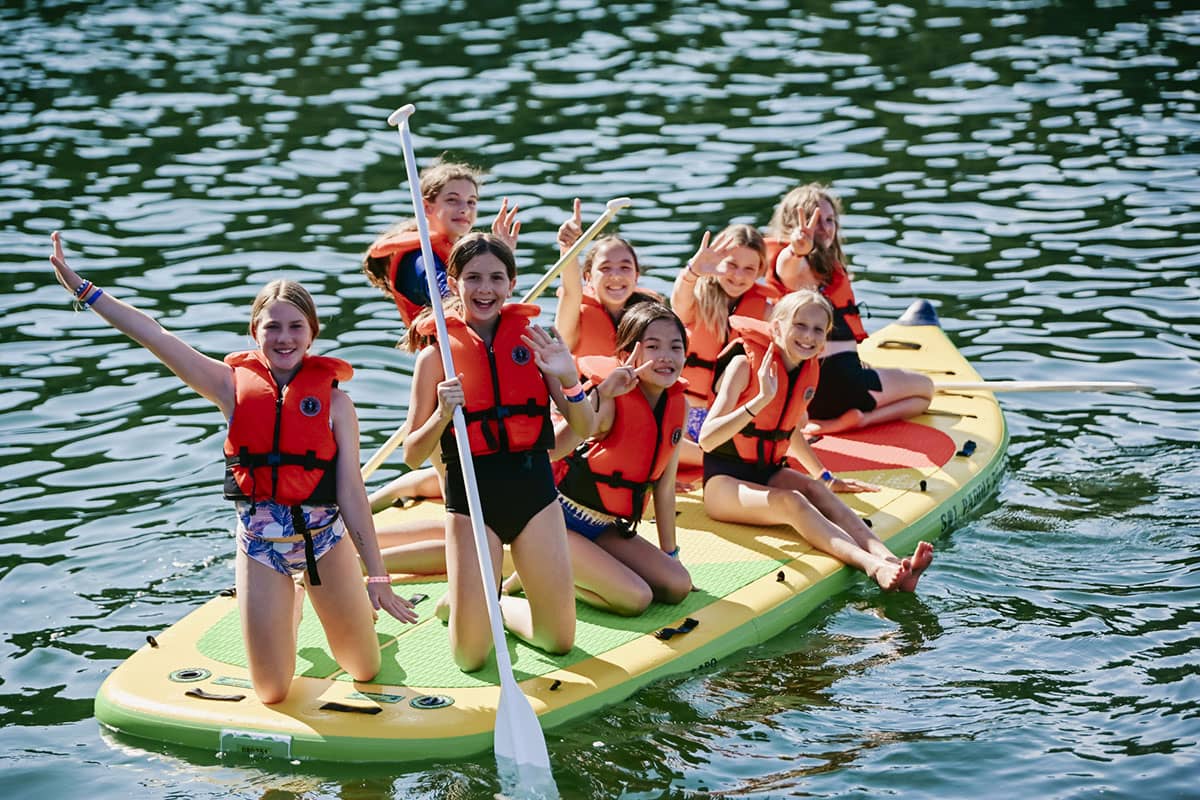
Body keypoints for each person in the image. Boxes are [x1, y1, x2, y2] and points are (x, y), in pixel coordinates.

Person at [48, 232, 417, 705]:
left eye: (295, 327)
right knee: (271, 691)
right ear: (254, 333)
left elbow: (351, 493)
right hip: (261, 547)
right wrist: (84, 289)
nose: (284, 338)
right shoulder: (228, 387)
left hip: (324, 543)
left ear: (312, 333)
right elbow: (154, 335)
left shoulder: (337, 405)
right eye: (272, 327)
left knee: (365, 669)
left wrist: (378, 577)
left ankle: (318, 602)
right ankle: (289, 603)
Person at [403, 233, 594, 671]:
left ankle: (499, 609)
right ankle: (470, 609)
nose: (484, 288)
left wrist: (569, 381)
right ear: (452, 284)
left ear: (511, 283)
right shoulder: (435, 358)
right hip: (472, 499)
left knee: (558, 641)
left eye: (495, 278)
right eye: (472, 278)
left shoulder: (534, 340)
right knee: (470, 658)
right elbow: (412, 456)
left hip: (534, 493)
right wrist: (442, 415)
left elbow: (585, 428)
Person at [697, 290, 933, 592]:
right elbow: (707, 438)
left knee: (814, 490)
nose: (808, 336)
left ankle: (892, 561)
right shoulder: (743, 365)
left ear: (825, 338)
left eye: (818, 330)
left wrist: (823, 476)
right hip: (723, 483)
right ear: (777, 326)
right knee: (793, 501)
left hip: (767, 472)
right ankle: (872, 567)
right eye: (800, 325)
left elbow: (787, 429)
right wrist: (759, 400)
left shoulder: (806, 369)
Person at [361, 159, 520, 510]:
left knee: (454, 470)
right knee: (457, 490)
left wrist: (500, 258)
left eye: (471, 202)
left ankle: (382, 497)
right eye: (453, 200)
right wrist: (499, 258)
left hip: (460, 370)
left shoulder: (451, 253)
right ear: (427, 206)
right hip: (442, 380)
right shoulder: (420, 259)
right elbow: (451, 300)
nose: (464, 209)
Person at [518, 303, 692, 615]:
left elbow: (664, 489)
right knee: (636, 598)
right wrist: (601, 396)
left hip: (607, 527)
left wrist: (671, 555)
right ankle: (535, 570)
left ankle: (554, 568)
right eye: (653, 346)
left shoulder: (679, 406)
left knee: (676, 585)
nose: (665, 356)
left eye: (675, 347)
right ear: (626, 356)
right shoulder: (610, 398)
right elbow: (554, 451)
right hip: (556, 524)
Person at [766, 183, 933, 435]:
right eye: (815, 221)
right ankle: (858, 420)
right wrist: (796, 248)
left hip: (808, 394)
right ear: (794, 226)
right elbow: (786, 268)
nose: (824, 228)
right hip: (843, 384)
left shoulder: (826, 269)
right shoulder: (798, 268)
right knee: (925, 390)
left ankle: (840, 418)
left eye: (830, 220)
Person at [670, 223, 779, 467]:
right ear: (717, 261)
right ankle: (695, 455)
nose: (738, 276)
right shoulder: (696, 299)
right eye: (731, 265)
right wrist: (692, 272)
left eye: (749, 268)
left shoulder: (766, 311)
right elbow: (678, 302)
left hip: (726, 417)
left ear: (760, 270)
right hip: (685, 413)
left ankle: (697, 456)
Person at [553, 198, 660, 357]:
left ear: (636, 276)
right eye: (605, 268)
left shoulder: (654, 316)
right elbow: (571, 292)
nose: (616, 275)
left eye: (625, 267)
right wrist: (568, 247)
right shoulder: (576, 324)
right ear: (588, 278)